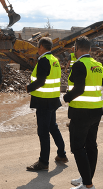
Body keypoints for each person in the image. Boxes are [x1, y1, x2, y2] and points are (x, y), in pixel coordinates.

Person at [63, 36, 103, 189]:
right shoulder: (98, 65)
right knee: (91, 146)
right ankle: (86, 178)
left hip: (81, 113)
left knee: (77, 148)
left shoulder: (80, 65)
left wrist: (65, 98)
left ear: (76, 48)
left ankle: (88, 185)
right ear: (90, 49)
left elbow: (79, 89)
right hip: (96, 112)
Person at [26, 37, 68, 171]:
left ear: (42, 47)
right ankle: (61, 154)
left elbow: (41, 81)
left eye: (38, 47)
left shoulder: (44, 60)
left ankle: (43, 162)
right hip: (52, 100)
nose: (37, 49)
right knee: (53, 127)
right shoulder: (54, 60)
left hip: (44, 101)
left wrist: (29, 88)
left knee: (43, 132)